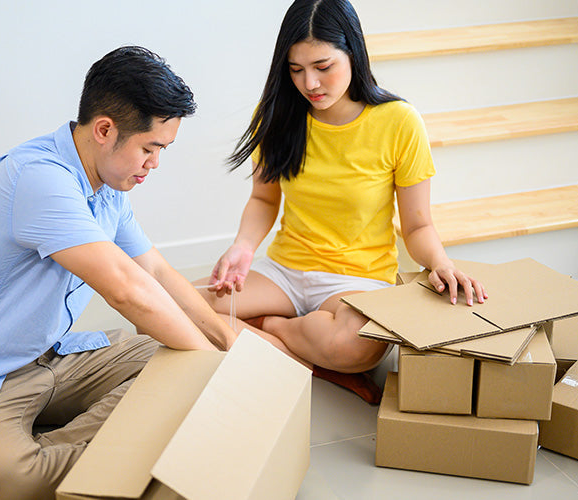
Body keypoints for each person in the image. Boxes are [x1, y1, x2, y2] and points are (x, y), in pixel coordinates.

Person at [0, 46, 239, 500]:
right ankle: (107, 459)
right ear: (105, 129)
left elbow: (157, 274)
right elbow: (127, 291)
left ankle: (91, 461)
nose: (155, 164)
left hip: (55, 357)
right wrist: (211, 365)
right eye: (150, 148)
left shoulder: (107, 187)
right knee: (6, 478)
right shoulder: (39, 178)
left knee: (198, 360)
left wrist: (228, 349)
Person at [197, 0, 487, 404]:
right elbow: (264, 199)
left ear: (353, 51)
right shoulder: (278, 116)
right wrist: (242, 248)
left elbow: (418, 226)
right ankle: (305, 357)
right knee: (169, 308)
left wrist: (441, 264)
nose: (310, 83)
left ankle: (271, 331)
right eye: (295, 70)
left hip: (358, 278)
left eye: (323, 66)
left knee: (356, 346)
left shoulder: (398, 122)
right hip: (286, 269)